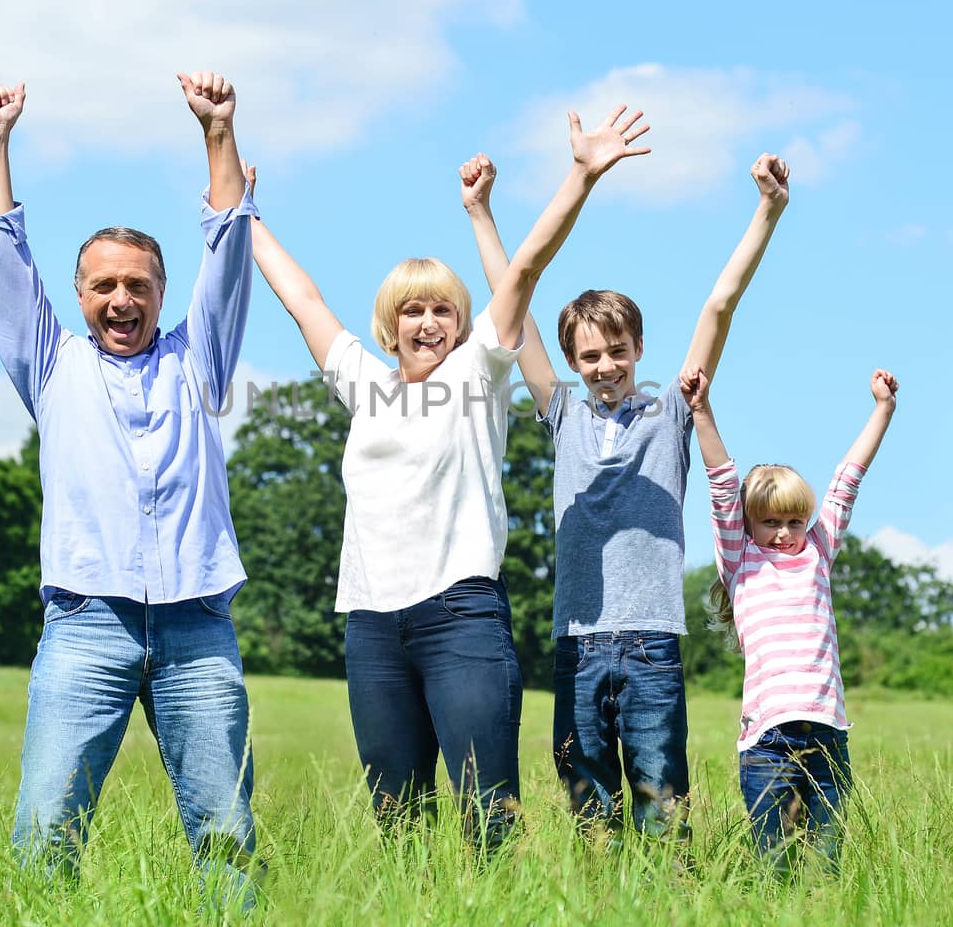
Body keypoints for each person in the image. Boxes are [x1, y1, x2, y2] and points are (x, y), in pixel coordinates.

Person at [247, 106, 651, 846]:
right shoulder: (362, 383)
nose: (427, 321)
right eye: (412, 310)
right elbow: (300, 297)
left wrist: (581, 175)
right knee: (396, 820)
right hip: (371, 624)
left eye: (443, 309)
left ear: (464, 324)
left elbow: (526, 265)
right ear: (389, 322)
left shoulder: (477, 372)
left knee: (487, 819)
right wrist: (242, 215)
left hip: (460, 615)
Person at [0, 72, 260, 903]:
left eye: (139, 284)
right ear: (80, 296)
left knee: (226, 835)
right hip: (85, 622)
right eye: (105, 285)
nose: (122, 298)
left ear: (163, 293)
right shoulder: (52, 363)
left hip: (198, 625)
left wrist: (217, 132)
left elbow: (230, 244)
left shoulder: (199, 357)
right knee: (44, 827)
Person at [462, 152, 792, 836]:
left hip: (651, 643)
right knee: (590, 810)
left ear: (638, 346)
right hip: (576, 644)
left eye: (616, 350)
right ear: (574, 365)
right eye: (589, 356)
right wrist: (481, 213)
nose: (605, 365)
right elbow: (510, 306)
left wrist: (767, 209)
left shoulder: (670, 413)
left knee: (663, 804)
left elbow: (719, 305)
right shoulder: (564, 416)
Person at [683, 363, 900, 870]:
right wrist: (701, 410)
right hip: (768, 741)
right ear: (749, 522)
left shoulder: (818, 551)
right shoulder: (741, 560)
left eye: (794, 521)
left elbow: (848, 480)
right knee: (776, 866)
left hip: (828, 733)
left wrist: (883, 410)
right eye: (770, 521)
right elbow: (721, 483)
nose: (784, 532)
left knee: (825, 865)